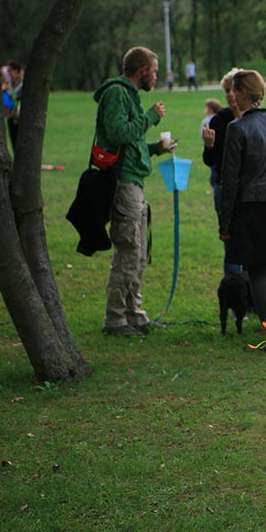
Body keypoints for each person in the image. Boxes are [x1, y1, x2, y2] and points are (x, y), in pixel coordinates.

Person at [95, 46, 174, 337]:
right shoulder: (117, 93)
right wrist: (152, 117)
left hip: (136, 182)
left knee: (139, 254)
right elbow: (117, 133)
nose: (156, 76)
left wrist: (156, 149)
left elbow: (132, 140)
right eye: (154, 71)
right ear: (142, 71)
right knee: (128, 251)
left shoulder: (130, 96)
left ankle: (134, 313)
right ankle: (114, 319)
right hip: (123, 183)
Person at [218, 70, 266, 329]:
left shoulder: (236, 129)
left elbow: (230, 182)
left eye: (234, 90)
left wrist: (224, 223)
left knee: (257, 270)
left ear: (242, 93)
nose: (231, 95)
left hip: (249, 209)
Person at [202, 68, 244, 276]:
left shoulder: (260, 118)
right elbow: (210, 161)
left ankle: (252, 294)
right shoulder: (219, 121)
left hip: (251, 189)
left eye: (234, 89)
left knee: (251, 243)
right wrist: (209, 146)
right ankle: (235, 290)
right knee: (231, 243)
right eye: (227, 90)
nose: (229, 94)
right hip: (225, 188)